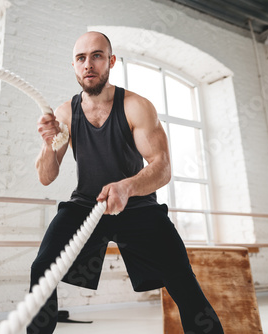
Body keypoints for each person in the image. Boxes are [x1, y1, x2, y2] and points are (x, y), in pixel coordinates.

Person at [28, 31, 224, 334]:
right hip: (85, 206)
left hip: (138, 206)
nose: (88, 64)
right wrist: (47, 144)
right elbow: (46, 177)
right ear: (74, 65)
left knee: (181, 278)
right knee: (42, 270)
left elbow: (162, 168)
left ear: (111, 61)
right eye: (81, 58)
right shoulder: (65, 113)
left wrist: (127, 187)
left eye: (97, 56)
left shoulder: (136, 106)